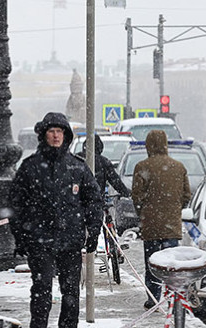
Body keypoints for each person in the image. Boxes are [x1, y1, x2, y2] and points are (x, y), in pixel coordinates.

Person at [10, 112, 103, 328]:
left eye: (60, 132)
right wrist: (21, 238)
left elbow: (93, 201)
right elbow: (16, 205)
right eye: (51, 131)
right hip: (40, 241)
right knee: (41, 291)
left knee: (70, 293)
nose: (55, 136)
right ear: (44, 135)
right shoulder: (30, 167)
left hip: (70, 241)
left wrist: (93, 231)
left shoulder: (77, 167)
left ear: (66, 136)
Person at [130, 129, 192, 306]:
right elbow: (187, 195)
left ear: (148, 145)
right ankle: (174, 298)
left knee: (153, 263)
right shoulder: (178, 167)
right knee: (172, 264)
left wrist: (143, 214)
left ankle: (153, 297)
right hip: (171, 225)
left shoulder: (142, 167)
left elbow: (137, 196)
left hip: (151, 225)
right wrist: (175, 210)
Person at [81, 133, 130, 251]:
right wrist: (125, 192)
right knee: (98, 225)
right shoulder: (104, 162)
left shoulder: (78, 161)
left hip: (80, 203)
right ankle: (111, 248)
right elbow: (115, 181)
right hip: (97, 202)